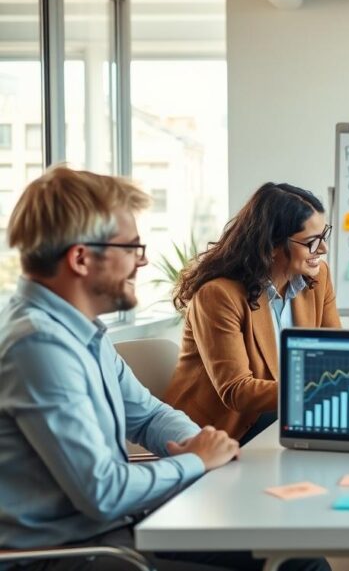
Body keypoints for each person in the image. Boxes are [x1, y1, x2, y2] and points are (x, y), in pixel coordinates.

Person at [0, 166, 325, 570]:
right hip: (69, 555)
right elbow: (103, 491)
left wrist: (209, 446)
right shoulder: (38, 345)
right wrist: (197, 461)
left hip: (117, 530)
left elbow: (149, 416)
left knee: (297, 561)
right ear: (81, 258)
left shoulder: (83, 330)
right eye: (132, 249)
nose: (144, 261)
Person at [163, 183, 340, 445]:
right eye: (311, 242)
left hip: (278, 417)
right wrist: (316, 389)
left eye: (323, 235)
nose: (323, 248)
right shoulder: (218, 295)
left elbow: (335, 354)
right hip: (218, 432)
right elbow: (237, 391)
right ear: (271, 245)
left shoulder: (317, 277)